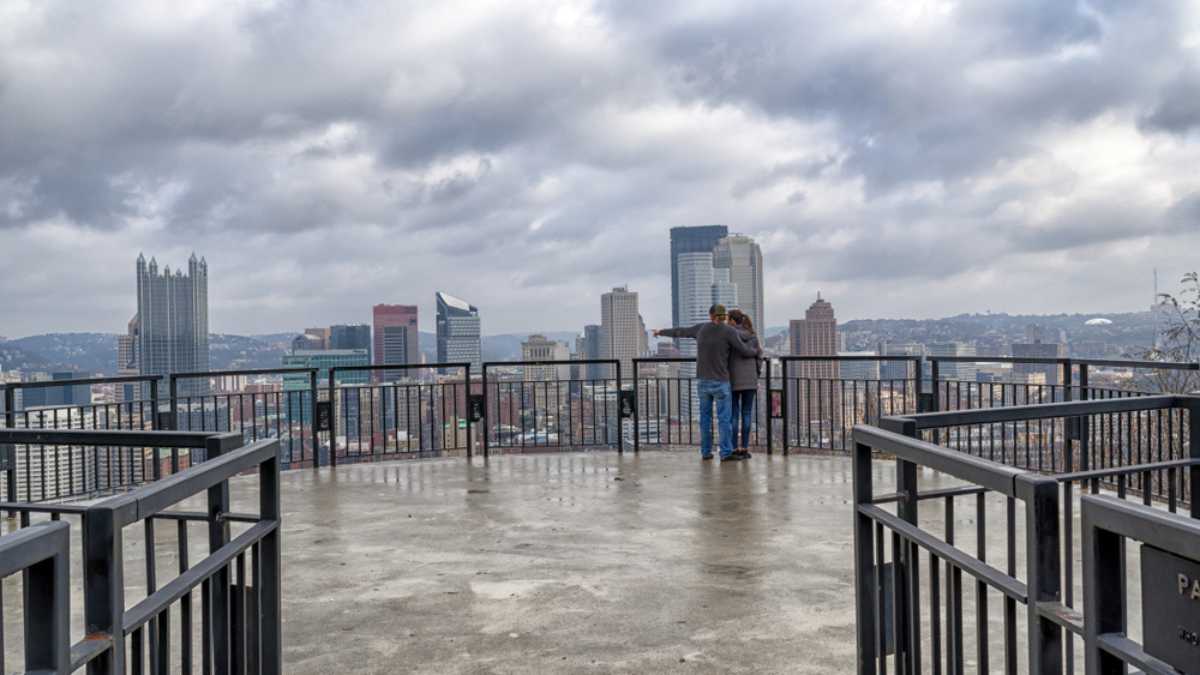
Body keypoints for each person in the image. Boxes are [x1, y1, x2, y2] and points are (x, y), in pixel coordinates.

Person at [654, 304, 762, 462]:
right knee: (724, 419)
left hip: (703, 381)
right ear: (724, 316)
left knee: (705, 418)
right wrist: (756, 351)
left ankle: (706, 452)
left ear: (710, 315)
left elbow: (681, 331)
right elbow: (744, 350)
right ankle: (725, 453)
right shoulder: (729, 331)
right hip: (721, 382)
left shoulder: (701, 329)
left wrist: (660, 332)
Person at [727, 309, 760, 460]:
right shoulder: (753, 336)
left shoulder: (729, 336)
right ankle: (745, 448)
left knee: (734, 415)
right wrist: (756, 374)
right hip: (750, 380)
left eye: (728, 319)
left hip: (733, 379)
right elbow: (759, 357)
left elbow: (724, 356)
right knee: (747, 414)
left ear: (733, 321)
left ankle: (734, 448)